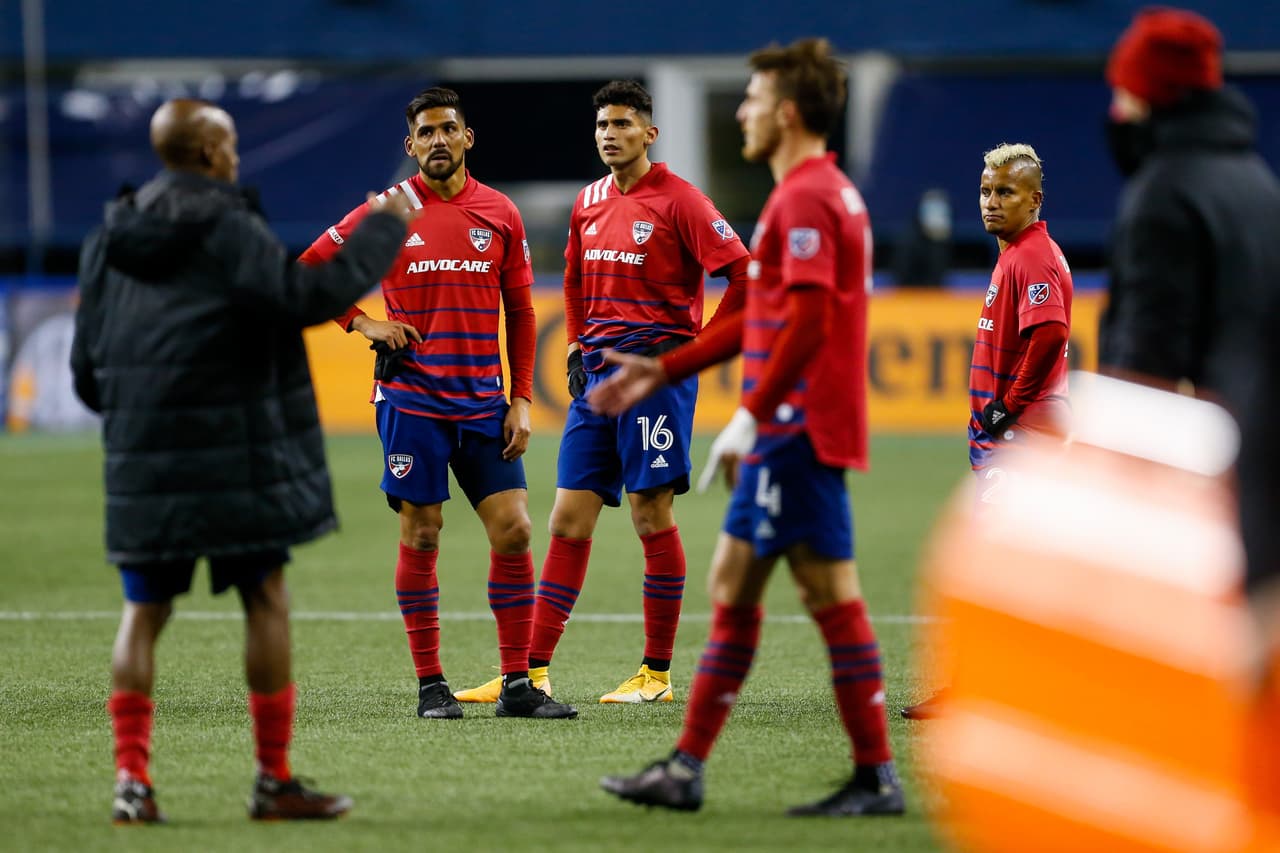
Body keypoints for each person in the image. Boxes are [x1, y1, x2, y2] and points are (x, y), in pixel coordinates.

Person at [70, 98, 413, 824]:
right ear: (204, 152)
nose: (235, 157)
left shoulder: (109, 236)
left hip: (147, 457)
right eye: (226, 144)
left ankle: (132, 784)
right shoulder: (227, 223)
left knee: (144, 610)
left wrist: (142, 416)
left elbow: (85, 370)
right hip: (238, 449)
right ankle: (273, 780)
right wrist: (386, 227)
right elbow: (301, 296)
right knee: (265, 600)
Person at [589, 38, 904, 817]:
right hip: (798, 427)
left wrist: (752, 417)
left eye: (755, 99)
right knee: (764, 585)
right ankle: (705, 767)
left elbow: (802, 320)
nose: (742, 111)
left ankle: (857, 775)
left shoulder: (802, 199)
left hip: (792, 429)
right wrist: (665, 370)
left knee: (808, 592)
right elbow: (766, 308)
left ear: (788, 113)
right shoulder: (822, 190)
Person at [454, 80, 749, 706]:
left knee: (650, 514)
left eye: (621, 124)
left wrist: (689, 356)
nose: (609, 135)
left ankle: (657, 675)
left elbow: (746, 279)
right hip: (596, 379)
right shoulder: (587, 200)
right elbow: (574, 275)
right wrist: (575, 343)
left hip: (655, 377)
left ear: (650, 132)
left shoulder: (684, 202)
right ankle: (529, 673)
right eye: (601, 126)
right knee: (566, 518)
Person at [299, 87, 576, 721]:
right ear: (411, 146)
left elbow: (523, 313)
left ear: (467, 137)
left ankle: (516, 684)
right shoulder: (386, 211)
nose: (438, 141)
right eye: (425, 134)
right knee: (422, 533)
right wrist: (362, 323)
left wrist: (524, 400)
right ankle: (431, 685)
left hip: (484, 402)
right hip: (411, 401)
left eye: (448, 129)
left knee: (515, 530)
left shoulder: (500, 212)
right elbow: (308, 270)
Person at [900, 142, 1073, 720]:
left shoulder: (1033, 256)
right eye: (985, 191)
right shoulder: (1015, 255)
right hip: (1012, 433)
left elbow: (1048, 334)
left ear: (1035, 199)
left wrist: (1006, 406)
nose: (991, 202)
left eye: (1005, 192)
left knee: (987, 565)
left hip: (1022, 435)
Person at [1099, 7, 1280, 402]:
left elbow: (1147, 360)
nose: (1116, 109)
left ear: (1145, 99)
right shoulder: (1258, 179)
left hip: (1221, 445)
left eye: (1122, 93)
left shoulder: (1162, 193)